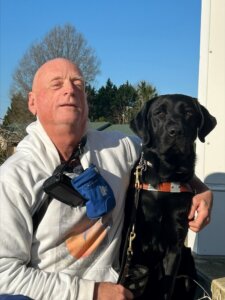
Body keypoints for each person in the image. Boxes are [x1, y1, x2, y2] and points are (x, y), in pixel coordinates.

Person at [0, 58, 213, 300]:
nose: (70, 89)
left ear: (86, 100)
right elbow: (4, 274)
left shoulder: (119, 148)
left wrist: (202, 190)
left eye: (78, 84)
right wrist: (91, 292)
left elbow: (164, 162)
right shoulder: (13, 178)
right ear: (32, 102)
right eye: (56, 84)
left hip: (118, 288)